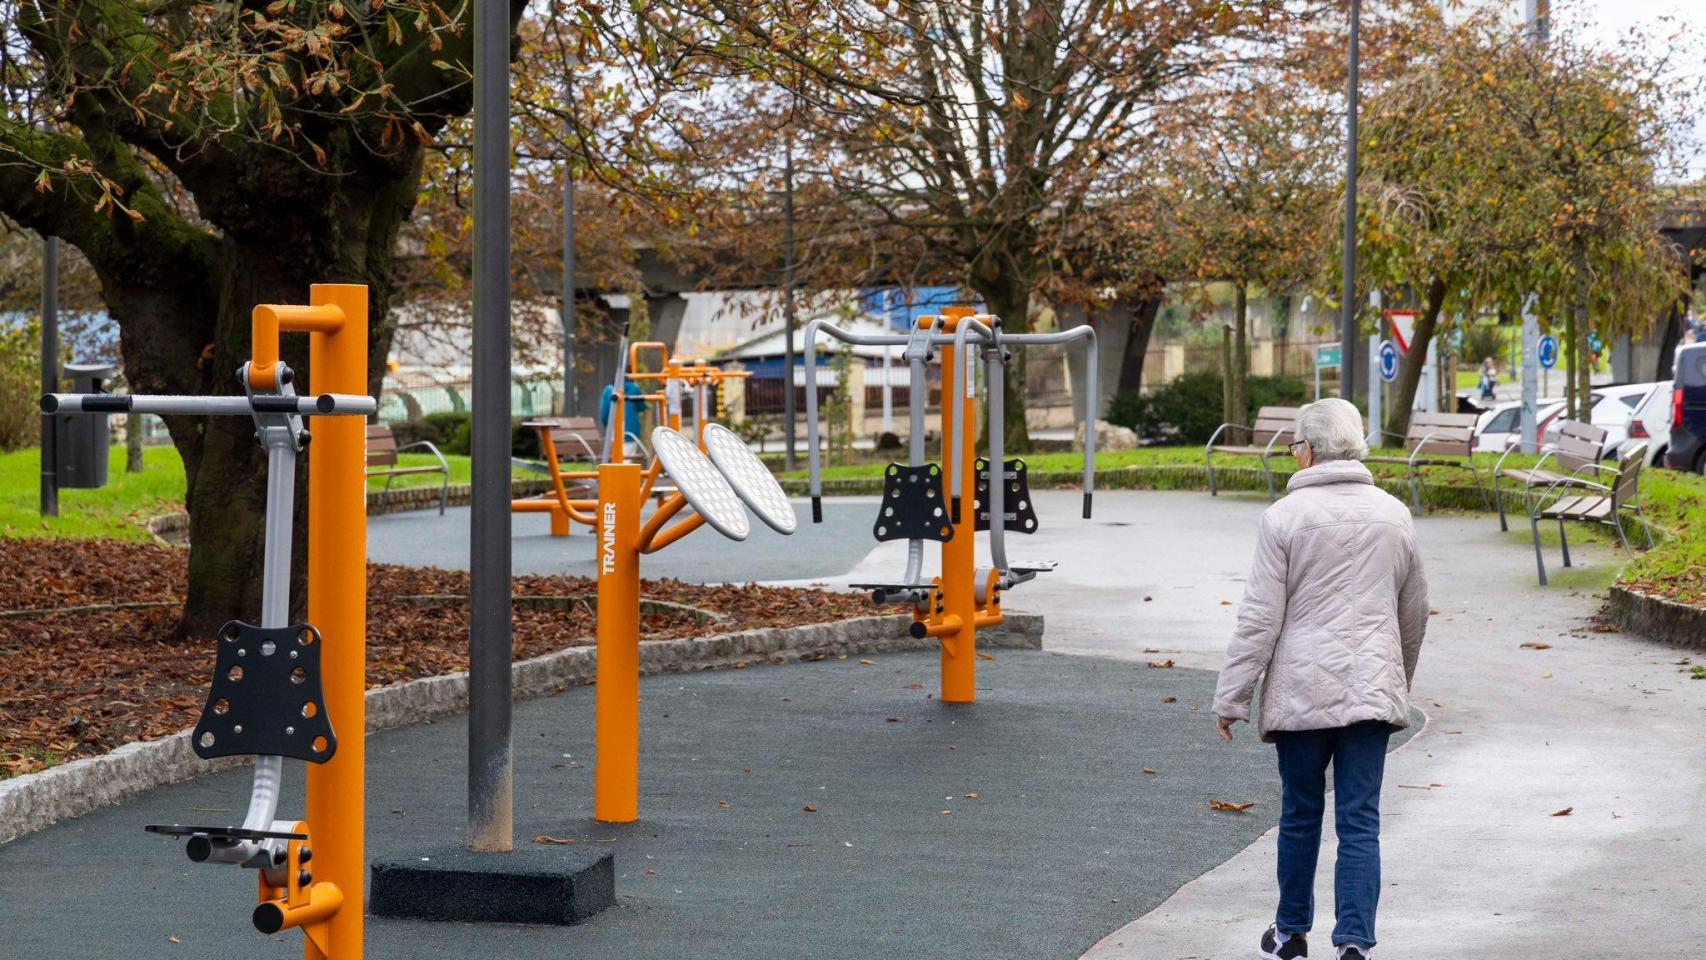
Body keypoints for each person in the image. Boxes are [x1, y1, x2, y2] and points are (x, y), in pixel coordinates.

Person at [1213, 398, 1429, 960]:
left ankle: (1289, 933)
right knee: (1360, 820)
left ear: (1308, 450)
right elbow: (1413, 612)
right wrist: (1396, 680)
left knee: (1300, 812)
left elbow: (1261, 616)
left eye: (1294, 446)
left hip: (1301, 693)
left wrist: (1232, 696)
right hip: (1370, 698)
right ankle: (1354, 941)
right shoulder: (1394, 514)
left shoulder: (1282, 518)